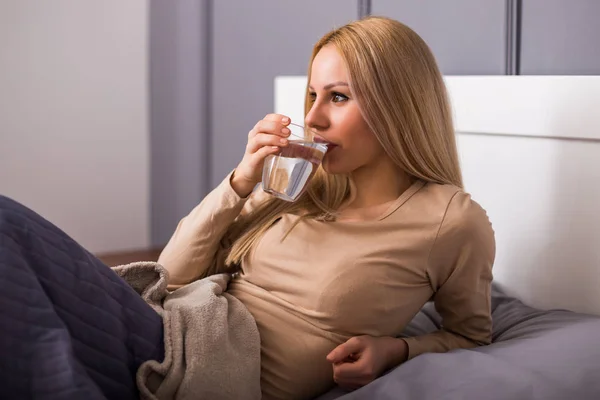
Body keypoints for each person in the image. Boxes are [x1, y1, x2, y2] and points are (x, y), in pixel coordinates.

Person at [157, 15, 495, 400]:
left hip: (207, 372)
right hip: (177, 333)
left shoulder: (451, 221)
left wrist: (398, 349)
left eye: (338, 96)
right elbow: (168, 279)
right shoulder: (295, 186)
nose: (313, 118)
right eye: (312, 96)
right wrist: (239, 182)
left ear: (398, 105)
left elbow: (470, 336)